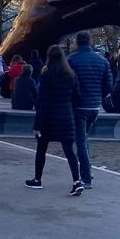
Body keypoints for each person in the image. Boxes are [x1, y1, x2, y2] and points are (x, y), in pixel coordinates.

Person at [25, 44, 85, 196]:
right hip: (66, 117)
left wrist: (37, 125)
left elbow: (42, 102)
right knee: (70, 151)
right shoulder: (71, 75)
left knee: (41, 149)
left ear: (49, 58)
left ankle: (37, 180)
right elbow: (78, 97)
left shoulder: (46, 75)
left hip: (49, 119)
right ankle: (76, 181)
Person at [68, 31, 114, 188]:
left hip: (79, 106)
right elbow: (109, 85)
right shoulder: (103, 61)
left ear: (76, 42)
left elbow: (68, 83)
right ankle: (87, 171)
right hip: (94, 106)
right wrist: (98, 96)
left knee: (80, 141)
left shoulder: (71, 60)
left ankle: (86, 178)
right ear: (90, 42)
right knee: (84, 138)